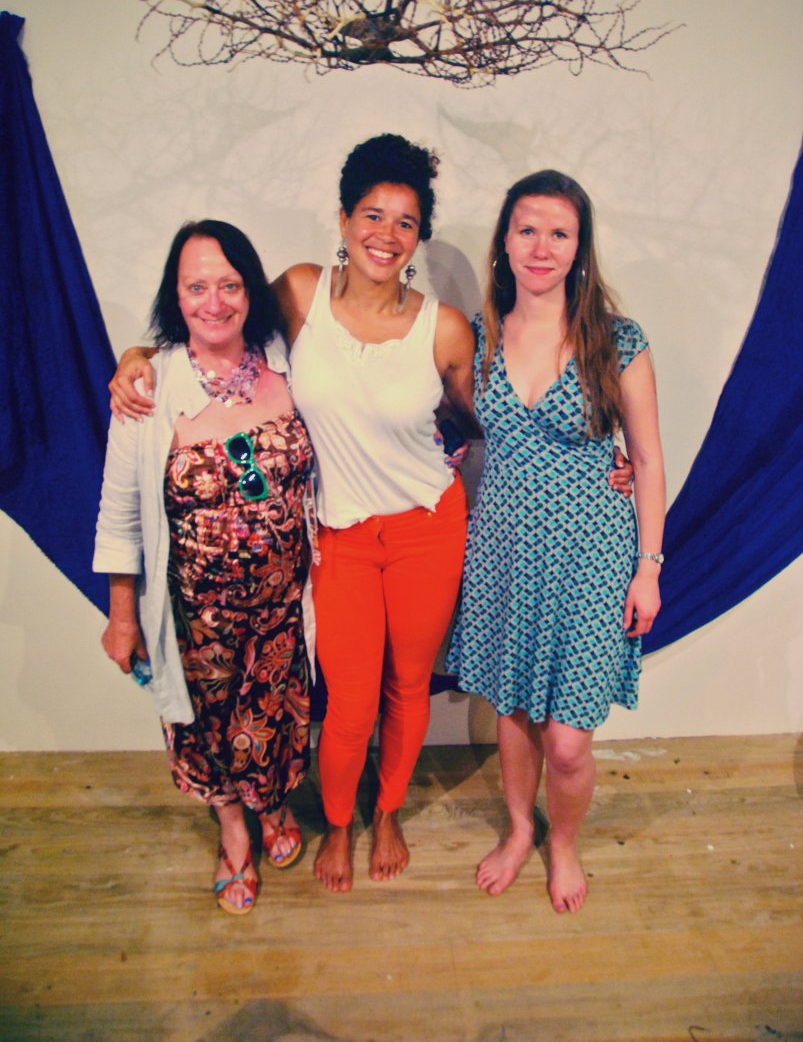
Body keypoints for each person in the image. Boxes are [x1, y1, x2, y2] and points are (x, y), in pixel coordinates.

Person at [108, 136, 477, 893]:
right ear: (343, 219)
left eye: (405, 221)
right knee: (348, 701)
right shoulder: (302, 294)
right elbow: (214, 324)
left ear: (418, 237)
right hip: (340, 534)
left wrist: (609, 461)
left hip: (426, 525)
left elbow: (483, 421)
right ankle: (337, 822)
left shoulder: (444, 328)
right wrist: (135, 355)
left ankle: (387, 812)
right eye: (371, 214)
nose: (385, 233)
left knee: (408, 685)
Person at [446, 170, 665, 914]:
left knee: (567, 740)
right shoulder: (474, 337)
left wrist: (648, 568)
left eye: (559, 233)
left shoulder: (617, 341)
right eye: (527, 230)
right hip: (504, 552)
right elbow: (435, 424)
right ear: (505, 242)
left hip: (592, 558)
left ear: (580, 248)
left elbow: (649, 459)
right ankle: (518, 830)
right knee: (513, 711)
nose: (542, 247)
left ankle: (562, 842)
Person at [94, 220, 313, 915]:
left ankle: (273, 805)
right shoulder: (148, 388)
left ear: (250, 291)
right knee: (209, 729)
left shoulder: (289, 362)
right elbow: (120, 517)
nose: (214, 302)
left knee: (273, 722)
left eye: (229, 284)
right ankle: (233, 833)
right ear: (175, 296)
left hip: (283, 613)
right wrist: (122, 618)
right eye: (196, 287)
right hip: (195, 622)